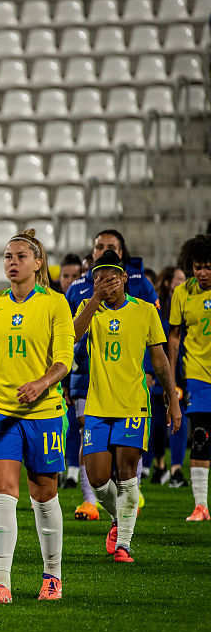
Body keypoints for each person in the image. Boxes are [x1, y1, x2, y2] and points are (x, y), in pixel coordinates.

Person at [0, 229, 72, 603]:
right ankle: (1, 582)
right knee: (3, 493)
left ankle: (52, 576)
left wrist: (41, 383)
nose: (13, 262)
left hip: (44, 413)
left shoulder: (55, 304)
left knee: (45, 495)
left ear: (38, 264)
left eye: (21, 256)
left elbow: (64, 360)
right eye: (8, 256)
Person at [73, 250, 182, 562]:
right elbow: (71, 336)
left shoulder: (145, 311)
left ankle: (124, 545)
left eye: (109, 277)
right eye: (97, 279)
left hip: (133, 405)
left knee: (126, 473)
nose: (104, 283)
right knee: (97, 479)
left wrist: (172, 400)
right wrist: (93, 302)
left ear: (123, 278)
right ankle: (118, 518)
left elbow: (160, 360)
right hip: (97, 405)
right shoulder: (89, 308)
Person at [65, 230, 158, 521]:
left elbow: (154, 344)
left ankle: (124, 531)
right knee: (94, 463)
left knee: (127, 466)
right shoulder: (80, 291)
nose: (105, 250)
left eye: (111, 247)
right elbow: (69, 337)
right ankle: (99, 503)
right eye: (100, 246)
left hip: (130, 392)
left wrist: (155, 376)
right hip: (90, 387)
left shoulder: (141, 287)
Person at [168, 235, 211, 522]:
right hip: (196, 373)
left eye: (208, 267)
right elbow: (173, 338)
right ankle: (200, 505)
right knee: (200, 436)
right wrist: (171, 380)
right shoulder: (182, 293)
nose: (203, 273)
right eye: (198, 267)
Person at [147, 266, 189, 486]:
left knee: (178, 416)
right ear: (167, 283)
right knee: (156, 423)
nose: (183, 282)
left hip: (179, 369)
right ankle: (160, 465)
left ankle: (175, 469)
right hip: (159, 369)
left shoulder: (185, 302)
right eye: (179, 279)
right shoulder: (158, 307)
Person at [57, 253, 85, 489]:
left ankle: (73, 471)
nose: (70, 280)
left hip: (78, 374)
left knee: (76, 423)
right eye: (66, 276)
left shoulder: (84, 304)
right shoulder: (54, 303)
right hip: (59, 375)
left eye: (75, 276)